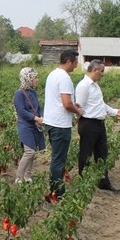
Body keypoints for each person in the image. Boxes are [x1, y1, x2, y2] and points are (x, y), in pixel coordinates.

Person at [74, 60, 120, 192]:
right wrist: (80, 122)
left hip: (99, 124)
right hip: (88, 124)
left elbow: (100, 104)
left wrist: (116, 112)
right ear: (95, 70)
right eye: (102, 71)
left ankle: (103, 182)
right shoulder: (84, 86)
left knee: (102, 154)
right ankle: (84, 182)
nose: (103, 74)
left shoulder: (95, 86)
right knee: (86, 154)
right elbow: (78, 107)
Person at [43, 50, 83, 198]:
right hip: (60, 124)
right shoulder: (65, 78)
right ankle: (57, 192)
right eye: (75, 63)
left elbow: (61, 100)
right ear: (68, 62)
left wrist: (73, 104)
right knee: (58, 160)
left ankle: (55, 190)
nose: (76, 65)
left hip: (51, 122)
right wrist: (78, 110)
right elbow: (66, 104)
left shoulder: (53, 74)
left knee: (56, 158)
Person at [13, 67, 46, 184]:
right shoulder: (19, 94)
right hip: (25, 126)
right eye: (35, 77)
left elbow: (39, 107)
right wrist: (35, 118)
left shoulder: (33, 92)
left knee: (32, 151)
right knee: (29, 152)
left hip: (34, 125)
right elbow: (21, 111)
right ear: (27, 79)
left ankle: (27, 176)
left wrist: (41, 117)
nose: (37, 80)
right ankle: (18, 178)